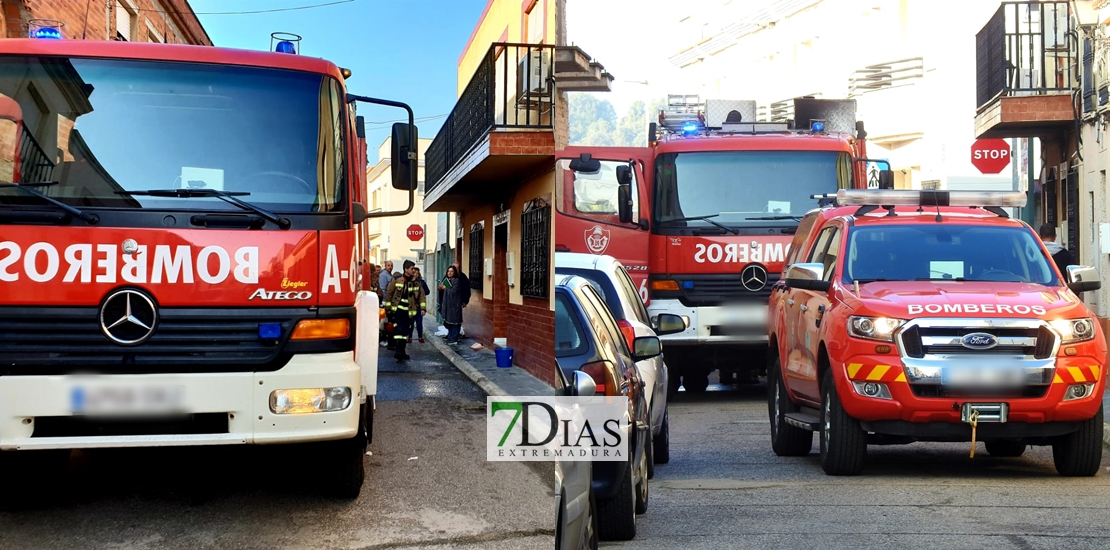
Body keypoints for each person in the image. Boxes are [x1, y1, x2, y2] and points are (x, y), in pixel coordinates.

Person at [386, 261, 426, 360]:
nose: (413, 270)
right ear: (406, 269)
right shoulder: (397, 280)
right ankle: (398, 351)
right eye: (412, 268)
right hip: (398, 310)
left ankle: (402, 351)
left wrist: (423, 308)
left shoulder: (416, 282)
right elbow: (389, 293)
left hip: (409, 311)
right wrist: (388, 309)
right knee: (399, 330)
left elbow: (422, 296)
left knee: (405, 332)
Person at [438, 265, 466, 345]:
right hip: (447, 305)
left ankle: (454, 339)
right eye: (448, 271)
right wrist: (440, 288)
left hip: (454, 305)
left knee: (455, 323)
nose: (449, 273)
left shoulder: (456, 281)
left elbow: (454, 292)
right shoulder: (446, 280)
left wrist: (445, 288)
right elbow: (443, 292)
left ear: (454, 272)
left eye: (451, 271)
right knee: (447, 322)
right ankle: (450, 337)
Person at [408, 267, 431, 343]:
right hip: (410, 307)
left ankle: (420, 337)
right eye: (414, 273)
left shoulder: (421, 282)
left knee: (419, 323)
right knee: (410, 323)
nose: (416, 275)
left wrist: (423, 308)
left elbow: (427, 292)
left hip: (418, 306)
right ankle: (409, 337)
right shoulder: (408, 282)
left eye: (417, 273)